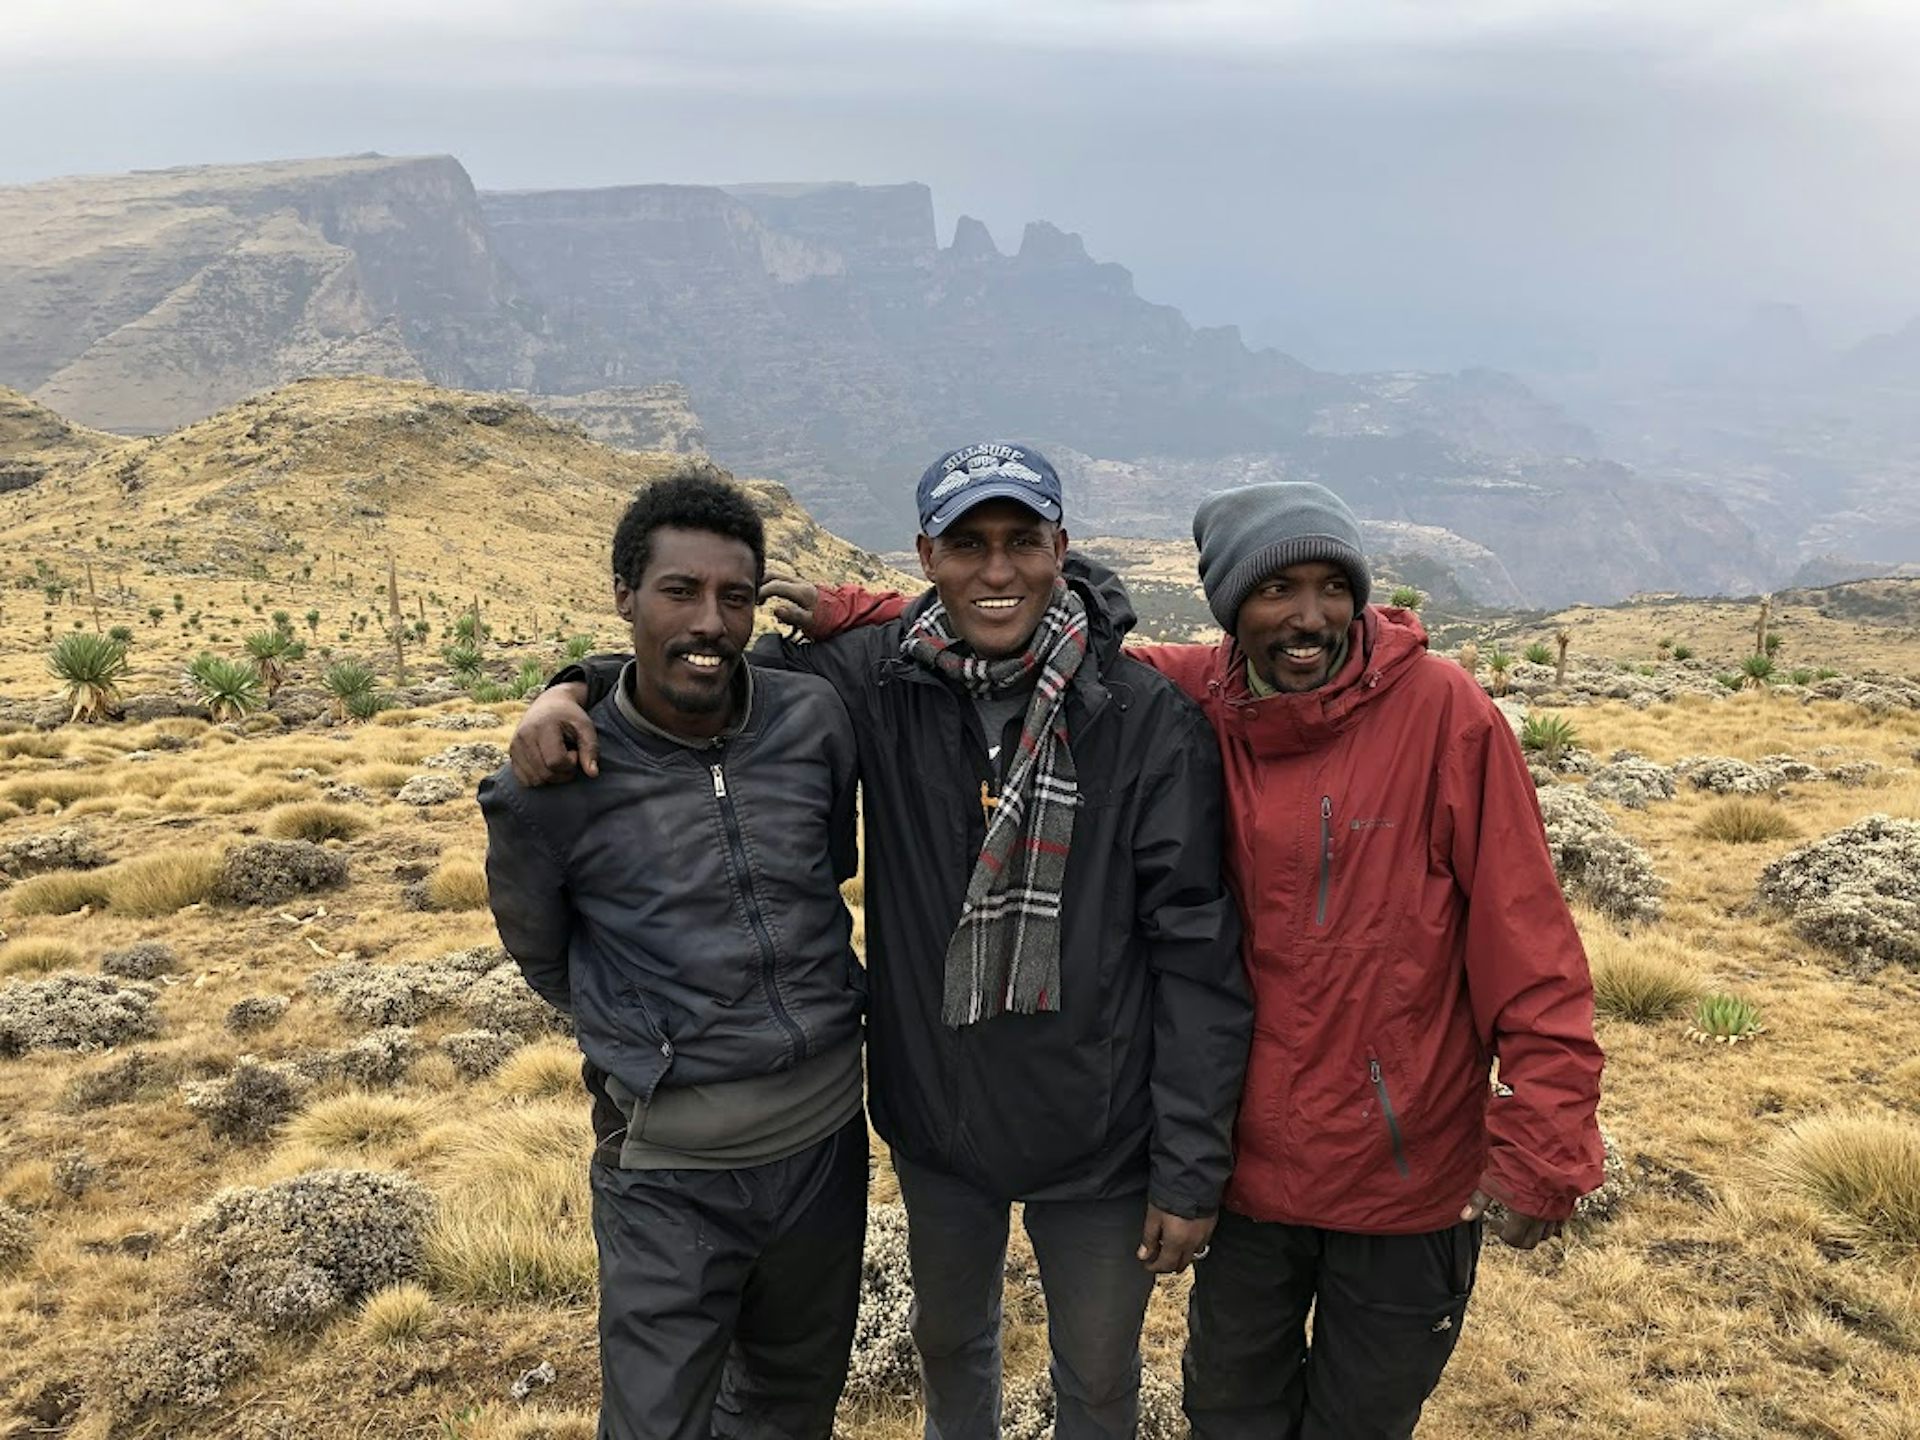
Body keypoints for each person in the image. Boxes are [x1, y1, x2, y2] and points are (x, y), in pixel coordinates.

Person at [749, 480, 1607, 1440]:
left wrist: (1547, 1135)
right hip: (1257, 1170)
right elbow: (1020, 625)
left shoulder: (1445, 715)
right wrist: (863, 616)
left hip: (1402, 1166)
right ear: (1232, 608)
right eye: (1276, 592)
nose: (1307, 618)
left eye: (1333, 587)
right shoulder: (1202, 694)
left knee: (1359, 1416)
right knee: (1228, 1411)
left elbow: (1527, 940)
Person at [512, 442, 1253, 1440]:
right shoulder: (875, 680)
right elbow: (701, 666)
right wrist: (574, 686)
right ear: (927, 556)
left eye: (1021, 541)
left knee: (1099, 1380)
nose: (997, 570)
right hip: (939, 1121)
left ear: (1061, 548)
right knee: (950, 1348)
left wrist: (1191, 1165)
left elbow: (1198, 956)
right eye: (967, 544)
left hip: (1103, 1135)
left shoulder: (1141, 715)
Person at [479, 470, 869, 1440]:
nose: (710, 621)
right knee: (656, 1422)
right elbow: (543, 954)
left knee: (793, 1406)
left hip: (824, 1147)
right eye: (679, 592)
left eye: (734, 598)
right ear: (624, 598)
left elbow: (826, 872)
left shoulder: (810, 723)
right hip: (667, 1170)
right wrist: (647, 1035)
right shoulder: (551, 782)